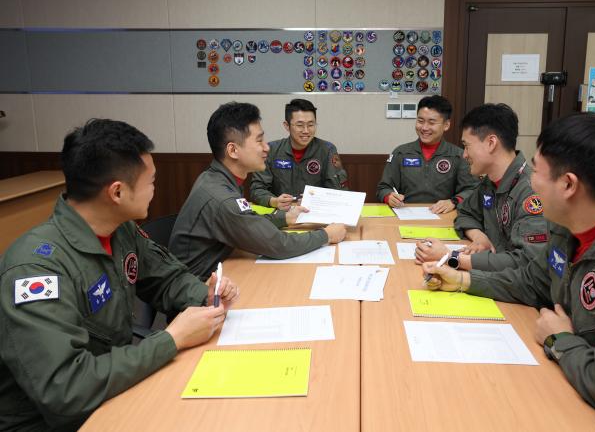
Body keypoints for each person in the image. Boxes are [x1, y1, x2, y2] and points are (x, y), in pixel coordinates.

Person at [422, 112, 595, 431]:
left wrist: (560, 339)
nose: (529, 179)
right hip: (571, 388)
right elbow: (531, 282)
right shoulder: (571, 230)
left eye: (537, 170)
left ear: (568, 185)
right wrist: (462, 280)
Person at [0, 119, 239, 431]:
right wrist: (172, 339)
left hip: (116, 388)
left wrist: (203, 293)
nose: (156, 189)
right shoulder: (36, 270)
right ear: (117, 192)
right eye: (151, 181)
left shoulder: (120, 229)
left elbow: (164, 276)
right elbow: (65, 390)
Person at [169, 102, 346, 279]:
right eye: (259, 141)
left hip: (219, 272)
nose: (266, 148)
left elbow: (246, 221)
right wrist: (326, 235)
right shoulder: (221, 197)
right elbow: (278, 245)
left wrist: (284, 217)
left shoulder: (218, 178)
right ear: (233, 150)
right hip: (199, 290)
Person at [415, 103, 548, 271]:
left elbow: (529, 263)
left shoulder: (532, 192)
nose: (464, 154)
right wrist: (479, 237)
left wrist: (451, 257)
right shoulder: (490, 183)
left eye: (467, 145)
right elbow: (465, 212)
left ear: (491, 143)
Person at [376, 95, 478, 213]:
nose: (424, 127)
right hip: (405, 216)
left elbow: (472, 189)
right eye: (420, 121)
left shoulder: (458, 156)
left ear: (446, 125)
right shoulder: (401, 153)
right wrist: (389, 197)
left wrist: (453, 202)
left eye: (431, 122)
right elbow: (383, 188)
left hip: (443, 217)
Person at [249, 98, 348, 211]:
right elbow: (257, 189)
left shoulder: (327, 150)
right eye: (300, 125)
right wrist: (274, 201)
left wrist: (316, 201)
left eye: (311, 125)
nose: (306, 131)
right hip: (280, 216)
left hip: (314, 215)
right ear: (287, 126)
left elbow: (339, 192)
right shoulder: (271, 150)